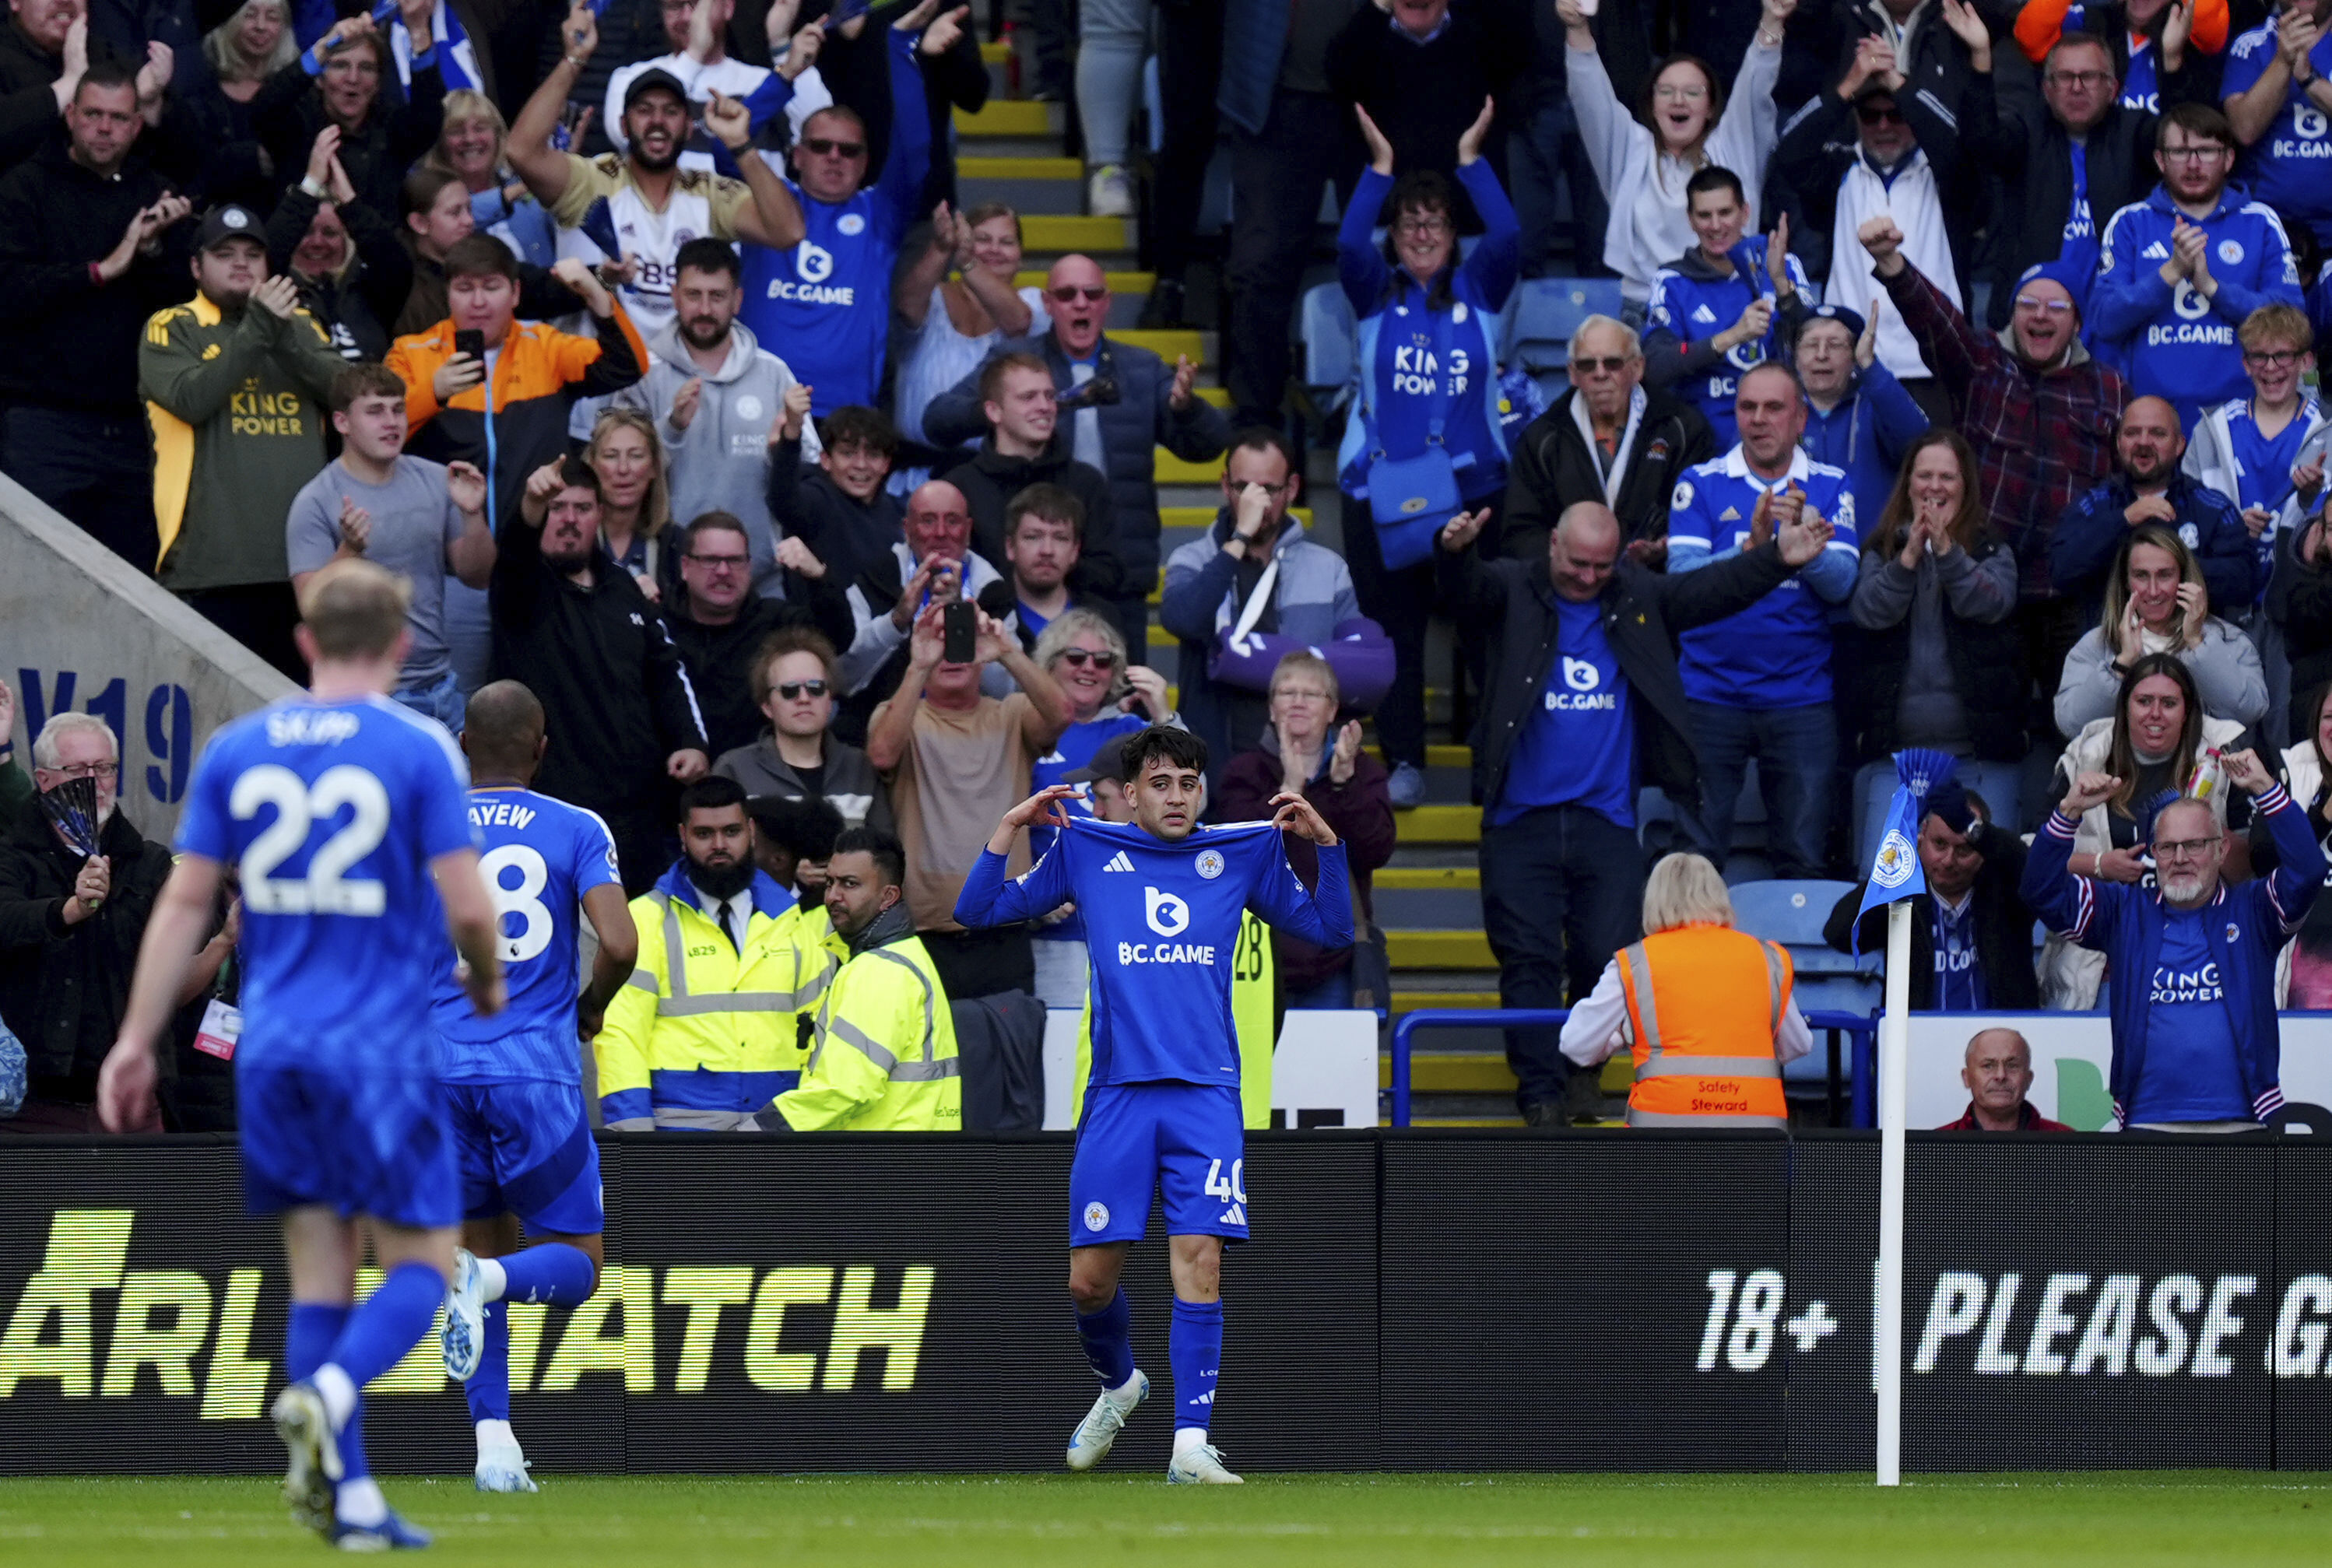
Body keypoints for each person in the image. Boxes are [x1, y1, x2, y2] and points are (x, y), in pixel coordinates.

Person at [96, 559, 504, 1549]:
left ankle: (351, 1499)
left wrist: (135, 1037)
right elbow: (465, 901)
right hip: (379, 1045)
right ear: (403, 649)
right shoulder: (414, 748)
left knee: (320, 1275)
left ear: (306, 642)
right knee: (422, 1264)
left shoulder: (241, 747)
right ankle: (325, 1385)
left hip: (275, 1050)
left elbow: (188, 900)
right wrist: (486, 980)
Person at [955, 724, 1352, 1483]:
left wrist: (1325, 846)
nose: (1176, 795)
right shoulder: (1086, 849)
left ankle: (1188, 1445)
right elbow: (978, 911)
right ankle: (1118, 1385)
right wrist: (1007, 829)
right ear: (1130, 791)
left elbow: (1330, 929)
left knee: (1199, 1261)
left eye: (1188, 782)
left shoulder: (1240, 852)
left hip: (1205, 1094)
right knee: (1088, 1281)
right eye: (1161, 783)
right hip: (1118, 1097)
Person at [1438, 496, 1839, 1125]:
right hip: (1520, 821)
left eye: (1603, 565)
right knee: (1528, 959)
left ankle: (1581, 1078)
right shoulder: (1512, 587)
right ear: (1551, 545)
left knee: (1603, 954)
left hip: (1607, 821)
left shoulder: (1634, 596)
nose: (1590, 577)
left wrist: (1774, 559)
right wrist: (1454, 552)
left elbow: (1710, 590)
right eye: (1578, 564)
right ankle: (1540, 1095)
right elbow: (1465, 593)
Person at [427, 680, 635, 1493]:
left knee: (474, 1252)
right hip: (533, 1069)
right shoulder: (576, 826)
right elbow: (617, 939)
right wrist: (588, 1006)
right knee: (574, 1263)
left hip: (437, 1069)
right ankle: (492, 1294)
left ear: (462, 742)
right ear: (542, 745)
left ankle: (494, 1443)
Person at [1334, 97, 1516, 806]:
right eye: (1409, 223)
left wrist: (1471, 160)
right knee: (1394, 634)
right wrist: (1379, 172)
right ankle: (1404, 760)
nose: (1421, 232)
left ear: (1451, 234)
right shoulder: (1373, 293)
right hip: (1380, 494)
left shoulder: (1482, 288)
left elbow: (1506, 233)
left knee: (1484, 633)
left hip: (1476, 490)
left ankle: (1490, 767)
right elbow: (1350, 246)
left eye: (1435, 222)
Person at [1864, 219, 2130, 700]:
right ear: (2012, 314)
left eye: (2055, 307)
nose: (2040, 316)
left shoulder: (2109, 387)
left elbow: (2126, 479)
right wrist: (1892, 265)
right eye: (2028, 304)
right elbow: (1936, 320)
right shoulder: (1981, 360)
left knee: (2072, 724)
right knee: (1993, 719)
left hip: (2067, 596)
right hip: (1983, 581)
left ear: (2076, 321)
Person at [921, 253, 1231, 654]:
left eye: (1092, 293)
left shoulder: (1142, 369)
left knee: (1119, 703)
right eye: (1067, 295)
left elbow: (1209, 444)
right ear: (1048, 305)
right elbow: (938, 421)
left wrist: (1187, 409)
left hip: (1117, 579)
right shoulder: (1017, 363)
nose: (1080, 303)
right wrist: (1008, 411)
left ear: (1107, 302)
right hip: (1014, 589)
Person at [2025, 745, 2323, 1128]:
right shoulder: (2124, 912)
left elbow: (2308, 871)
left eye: (2195, 845)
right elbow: (2041, 889)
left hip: (2243, 1121)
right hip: (2147, 1122)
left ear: (2221, 850)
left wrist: (2266, 789)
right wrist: (2069, 812)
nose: (2180, 858)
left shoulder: (2253, 911)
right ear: (2154, 854)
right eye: (2167, 847)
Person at [508, 1, 806, 339]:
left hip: (681, 384)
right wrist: (573, 60)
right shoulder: (592, 180)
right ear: (623, 124)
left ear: (689, 127)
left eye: (670, 112)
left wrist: (741, 146)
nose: (657, 122)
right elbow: (521, 152)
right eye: (645, 110)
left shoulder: (708, 192)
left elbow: (788, 232)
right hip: (597, 385)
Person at [140, 202, 350, 681]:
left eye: (253, 254)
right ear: (196, 267)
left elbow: (346, 393)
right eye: (224, 253)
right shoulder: (171, 326)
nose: (241, 262)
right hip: (211, 570)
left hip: (304, 568)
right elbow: (191, 398)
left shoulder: (299, 325)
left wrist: (279, 329)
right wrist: (261, 327)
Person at [1668, 362, 1862, 877]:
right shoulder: (1700, 482)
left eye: (1774, 407)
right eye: (1747, 407)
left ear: (1800, 418)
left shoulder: (1829, 483)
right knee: (1695, 859)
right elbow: (1681, 581)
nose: (1758, 419)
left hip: (1800, 698)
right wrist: (1760, 551)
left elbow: (1842, 581)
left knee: (1803, 858)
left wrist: (1802, 545)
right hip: (1709, 695)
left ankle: (1794, 960)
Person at [0, 62, 193, 570]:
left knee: (131, 589)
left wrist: (151, 253)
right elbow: (8, 292)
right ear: (70, 116)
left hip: (132, 429)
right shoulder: (22, 188)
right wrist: (100, 271)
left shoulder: (158, 195)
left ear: (136, 125)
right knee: (33, 580)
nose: (104, 128)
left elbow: (182, 309)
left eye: (117, 117)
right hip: (42, 424)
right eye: (93, 115)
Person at [492, 456, 711, 895]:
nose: (570, 520)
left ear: (601, 516)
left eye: (583, 508)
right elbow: (514, 555)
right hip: (555, 810)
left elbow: (666, 670)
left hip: (638, 816)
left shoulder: (623, 587)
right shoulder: (523, 589)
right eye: (557, 508)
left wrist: (690, 740)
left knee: (639, 945)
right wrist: (529, 508)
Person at [1774, 0, 1993, 401]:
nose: (1883, 126)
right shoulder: (1839, 171)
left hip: (1937, 370)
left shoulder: (1944, 174)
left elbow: (1962, 147)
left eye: (1896, 115)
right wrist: (1848, 86)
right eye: (1870, 115)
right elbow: (1788, 151)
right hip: (1852, 371)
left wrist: (1898, 83)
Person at [595, 774, 832, 1129]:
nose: (719, 845)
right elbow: (621, 1034)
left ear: (751, 832)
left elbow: (821, 1036)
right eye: (704, 834)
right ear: (682, 836)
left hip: (776, 1127)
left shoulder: (791, 920)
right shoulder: (646, 919)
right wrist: (633, 1134)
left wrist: (800, 1121)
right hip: (681, 1124)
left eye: (732, 832)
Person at [865, 599, 1069, 1001]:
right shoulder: (898, 715)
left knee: (1012, 1062)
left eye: (959, 636)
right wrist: (919, 664)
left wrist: (1007, 651)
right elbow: (882, 755)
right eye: (936, 638)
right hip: (924, 936)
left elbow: (1062, 714)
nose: (949, 649)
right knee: (931, 1063)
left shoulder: (1012, 713)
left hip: (1005, 934)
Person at [386, 234, 649, 541]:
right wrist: (433, 392)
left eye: (492, 287)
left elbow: (629, 366)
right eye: (465, 288)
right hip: (439, 552)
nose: (479, 301)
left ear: (515, 293)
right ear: (448, 295)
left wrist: (596, 293)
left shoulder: (546, 347)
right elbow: (379, 434)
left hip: (534, 553)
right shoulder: (410, 353)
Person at [1840, 430, 2028, 846]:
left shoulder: (1992, 549)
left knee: (1985, 876)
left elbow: (1990, 604)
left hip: (1981, 758)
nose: (1935, 487)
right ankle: (1904, 919)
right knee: (1888, 891)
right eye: (1925, 475)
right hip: (1897, 758)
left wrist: (1947, 552)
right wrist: (1908, 558)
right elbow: (1869, 611)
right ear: (1908, 484)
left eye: (1947, 476)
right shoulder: (1883, 549)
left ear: (1966, 486)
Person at [1160, 430, 1378, 788]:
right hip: (1214, 768)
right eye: (1243, 488)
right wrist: (1238, 539)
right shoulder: (1194, 559)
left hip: (1303, 771)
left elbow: (1357, 670)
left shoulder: (1328, 568)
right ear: (1224, 486)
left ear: (1292, 489)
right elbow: (1182, 619)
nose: (1256, 501)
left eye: (1269, 490)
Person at [286, 363, 495, 731]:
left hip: (442, 686)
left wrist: (473, 515)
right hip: (365, 694)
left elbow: (477, 575)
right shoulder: (316, 500)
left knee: (458, 791)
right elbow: (310, 605)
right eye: (375, 411)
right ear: (341, 423)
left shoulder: (435, 479)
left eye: (398, 409)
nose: (392, 422)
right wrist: (350, 548)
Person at [608, 237, 820, 599]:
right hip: (671, 581)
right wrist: (671, 426)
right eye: (693, 295)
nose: (704, 309)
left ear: (737, 300)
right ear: (675, 296)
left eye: (717, 296)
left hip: (762, 580)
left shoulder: (774, 373)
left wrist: (783, 446)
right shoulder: (645, 374)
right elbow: (617, 473)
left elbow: (809, 472)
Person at [0, 713, 174, 1132]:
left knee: (137, 1201)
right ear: (43, 780)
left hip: (129, 1098)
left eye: (105, 767)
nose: (93, 780)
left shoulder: (149, 861)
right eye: (77, 769)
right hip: (34, 1103)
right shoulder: (13, 855)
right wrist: (69, 910)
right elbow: (5, 921)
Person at [1561, 0, 1795, 309]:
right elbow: (1590, 96)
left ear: (1711, 107)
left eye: (1693, 92)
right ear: (1652, 104)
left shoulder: (1733, 146)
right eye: (1666, 91)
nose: (1678, 101)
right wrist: (1577, 29)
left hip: (1728, 302)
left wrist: (1772, 19)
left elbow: (1755, 84)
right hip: (1646, 308)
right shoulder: (1630, 150)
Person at [1555, 851, 1813, 1128]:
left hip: (1663, 1130)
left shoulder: (1636, 963)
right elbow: (1799, 1045)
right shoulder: (1768, 958)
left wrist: (1623, 1032)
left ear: (1654, 900)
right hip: (1758, 1129)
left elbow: (1577, 1045)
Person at [2089, 102, 2304, 430]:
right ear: (2160, 160)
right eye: (2179, 151)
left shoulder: (2260, 222)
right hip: (2151, 418)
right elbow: (2103, 320)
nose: (2192, 164)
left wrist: (2213, 289)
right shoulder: (2131, 222)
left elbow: (2293, 322)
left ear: (2229, 159)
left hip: (2241, 417)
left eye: (2206, 151)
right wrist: (2169, 275)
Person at [1967, 26, 2197, 327]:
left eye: (2089, 77)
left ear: (2112, 89)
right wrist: (1981, 59)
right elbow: (1982, 143)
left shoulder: (2133, 131)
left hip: (2116, 319)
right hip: (2034, 321)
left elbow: (2181, 141)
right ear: (2047, 89)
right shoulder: (2027, 130)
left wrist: (2172, 62)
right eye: (2065, 77)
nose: (2077, 87)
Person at [1214, 652, 1396, 1011]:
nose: (1298, 701)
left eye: (1312, 694)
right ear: (1270, 708)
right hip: (1256, 959)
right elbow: (1231, 857)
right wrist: (1289, 786)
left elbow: (1376, 850)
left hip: (1334, 962)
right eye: (1287, 692)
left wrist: (1344, 787)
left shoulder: (1363, 772)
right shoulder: (1243, 771)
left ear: (1332, 711)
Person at [1022, 608, 1175, 1006]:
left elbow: (1193, 800)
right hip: (1051, 936)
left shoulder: (1132, 731)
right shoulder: (1024, 724)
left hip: (1129, 931)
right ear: (1049, 664)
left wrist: (1164, 714)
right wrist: (1035, 900)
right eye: (1076, 657)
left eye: (1103, 661)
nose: (1089, 668)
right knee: (1062, 1061)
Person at [768, 824, 960, 1131]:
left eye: (850, 884)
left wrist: (757, 1135)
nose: (832, 896)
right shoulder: (904, 955)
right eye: (830, 882)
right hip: (907, 1157)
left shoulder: (880, 970)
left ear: (888, 896)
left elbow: (845, 1089)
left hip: (879, 1161)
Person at [734, 99, 918, 415]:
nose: (834, 157)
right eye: (821, 146)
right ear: (798, 156)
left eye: (848, 151)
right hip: (757, 405)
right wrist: (785, 77)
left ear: (864, 163)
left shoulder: (880, 214)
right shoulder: (764, 203)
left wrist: (903, 50)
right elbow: (728, 146)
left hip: (845, 415)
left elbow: (916, 148)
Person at [1500, 314, 1716, 561]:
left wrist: (1666, 547)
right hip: (1570, 585)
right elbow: (1521, 533)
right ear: (1573, 373)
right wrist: (1572, 557)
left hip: (1656, 586)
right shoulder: (1541, 439)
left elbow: (1701, 516)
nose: (1600, 374)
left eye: (1613, 363)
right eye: (1587, 365)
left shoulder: (1683, 429)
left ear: (1637, 368)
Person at [1825, 781, 2043, 1009]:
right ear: (1922, 837)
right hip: (1918, 1041)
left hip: (1999, 1041)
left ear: (1984, 850)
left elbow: (2035, 870)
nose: (1949, 861)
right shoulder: (1902, 898)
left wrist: (1978, 831)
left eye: (1964, 849)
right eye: (1939, 844)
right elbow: (1839, 934)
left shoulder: (2007, 891)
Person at [2184, 302, 2326, 637]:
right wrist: (2229, 529)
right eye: (2259, 357)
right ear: (2245, 364)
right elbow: (2183, 517)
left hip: (2300, 615)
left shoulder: (2328, 432)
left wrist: (2311, 502)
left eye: (2283, 356)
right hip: (2219, 611)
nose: (2270, 367)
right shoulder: (2211, 429)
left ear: (2306, 361)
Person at [1642, 169, 1811, 448]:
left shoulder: (1783, 265)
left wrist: (1782, 287)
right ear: (1690, 220)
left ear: (1745, 213)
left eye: (1725, 212)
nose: (1716, 225)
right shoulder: (1673, 281)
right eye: (1704, 216)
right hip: (1703, 440)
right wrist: (1730, 337)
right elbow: (1656, 366)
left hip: (1781, 436)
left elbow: (1815, 344)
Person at [939, 351, 1122, 609]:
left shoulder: (1087, 483)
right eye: (1028, 397)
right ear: (994, 411)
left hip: (1072, 639)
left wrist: (1046, 573)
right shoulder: (959, 489)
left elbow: (1109, 573)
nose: (1045, 407)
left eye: (1049, 396)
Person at [2049, 394, 2257, 617]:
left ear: (2179, 445)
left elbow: (2244, 581)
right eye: (2132, 433)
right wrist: (2124, 520)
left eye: (2157, 433)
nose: (2144, 442)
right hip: (2110, 646)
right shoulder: (2094, 503)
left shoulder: (2211, 506)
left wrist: (2173, 564)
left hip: (2191, 646)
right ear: (2119, 443)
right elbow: (2061, 571)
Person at [1326, 0, 1517, 233]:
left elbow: (1518, 55)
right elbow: (1339, 75)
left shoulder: (1485, 40)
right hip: (1379, 229)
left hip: (1468, 228)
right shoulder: (1362, 38)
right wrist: (1375, 12)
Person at [2056, 522, 2267, 733]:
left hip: (2206, 765)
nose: (2154, 591)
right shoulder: (2096, 645)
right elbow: (2072, 725)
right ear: (2126, 582)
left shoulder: (2230, 640)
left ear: (2183, 578)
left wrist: (2197, 644)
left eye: (2165, 575)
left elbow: (2248, 713)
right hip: (2119, 766)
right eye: (2141, 576)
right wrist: (2121, 664)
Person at [835, 476, 1003, 731]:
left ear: (968, 531)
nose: (941, 533)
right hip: (883, 733)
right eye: (927, 520)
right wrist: (897, 619)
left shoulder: (993, 590)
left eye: (953, 521)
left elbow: (1009, 689)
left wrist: (961, 619)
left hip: (975, 734)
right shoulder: (874, 581)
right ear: (907, 530)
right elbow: (843, 678)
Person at [666, 510, 835, 758]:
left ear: (749, 566)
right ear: (685, 567)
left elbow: (838, 637)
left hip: (757, 778)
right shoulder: (658, 626)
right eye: (710, 560)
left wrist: (819, 576)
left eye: (735, 560)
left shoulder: (776, 622)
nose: (723, 571)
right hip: (671, 774)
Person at [251, 9, 441, 223]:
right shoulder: (295, 124)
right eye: (340, 65)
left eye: (366, 68)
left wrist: (418, 31)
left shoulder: (392, 130)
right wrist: (321, 49)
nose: (353, 78)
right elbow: (263, 109)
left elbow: (429, 119)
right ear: (319, 79)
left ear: (379, 82)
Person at [892, 199, 1045, 451]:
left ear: (1021, 257)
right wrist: (941, 248)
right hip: (921, 471)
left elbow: (1018, 323)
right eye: (982, 240)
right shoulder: (933, 297)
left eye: (1007, 242)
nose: (995, 249)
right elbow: (906, 305)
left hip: (999, 473)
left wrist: (968, 263)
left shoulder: (1033, 302)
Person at [712, 625, 890, 833]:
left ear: (830, 700)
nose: (804, 699)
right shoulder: (734, 769)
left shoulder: (861, 767)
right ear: (767, 707)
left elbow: (884, 855)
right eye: (789, 690)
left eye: (816, 688)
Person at [268, 125, 414, 363]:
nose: (317, 242)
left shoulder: (369, 290)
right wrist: (310, 185)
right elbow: (267, 254)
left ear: (347, 240)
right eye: (305, 233)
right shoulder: (275, 292)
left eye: (329, 233)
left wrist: (348, 201)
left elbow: (396, 263)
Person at [1793, 302, 1930, 531]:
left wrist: (1870, 365)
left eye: (1835, 345)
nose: (1822, 355)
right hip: (1793, 552)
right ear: (1796, 356)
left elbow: (1918, 441)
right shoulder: (1778, 407)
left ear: (1853, 357)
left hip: (1872, 556)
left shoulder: (1876, 403)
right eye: (1811, 345)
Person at [2221, 0, 2332, 249]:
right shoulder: (2252, 45)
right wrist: (2283, 60)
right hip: (2266, 229)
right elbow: (2244, 129)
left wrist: (2309, 79)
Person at [766, 402, 903, 602]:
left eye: (873, 455)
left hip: (883, 628)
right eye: (848, 454)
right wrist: (791, 437)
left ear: (886, 464)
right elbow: (784, 502)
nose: (861, 465)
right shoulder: (816, 497)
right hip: (820, 628)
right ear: (826, 460)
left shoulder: (894, 509)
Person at [2260, 679, 2332, 1003]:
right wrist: (2323, 816)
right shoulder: (2292, 778)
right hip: (2303, 979)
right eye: (2329, 717)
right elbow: (2262, 860)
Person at [426, 87, 555, 267]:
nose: (470, 139)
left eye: (480, 129)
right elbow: (457, 218)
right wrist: (514, 192)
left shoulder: (523, 188)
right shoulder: (427, 192)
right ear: (440, 143)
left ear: (497, 136)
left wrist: (562, 171)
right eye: (456, 131)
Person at [1004, 483, 1101, 652]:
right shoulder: (989, 618)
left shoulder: (1103, 619)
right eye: (1033, 537)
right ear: (1010, 547)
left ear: (1075, 551)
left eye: (1060, 538)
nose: (1047, 551)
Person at [1937, 1026, 2072, 1129]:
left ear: (2029, 1079)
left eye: (2012, 1066)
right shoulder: (1936, 1147)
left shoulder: (2067, 1144)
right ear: (1966, 1078)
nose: (2001, 1076)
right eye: (1988, 1066)